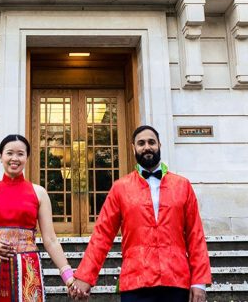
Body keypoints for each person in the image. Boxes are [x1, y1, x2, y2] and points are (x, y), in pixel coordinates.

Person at [69, 125, 211, 302]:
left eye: (151, 142)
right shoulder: (120, 188)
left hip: (176, 279)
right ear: (133, 148)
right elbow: (102, 234)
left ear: (159, 145)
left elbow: (195, 235)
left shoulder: (183, 185)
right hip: (135, 281)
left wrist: (199, 281)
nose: (147, 147)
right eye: (141, 143)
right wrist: (85, 276)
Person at [0, 133, 79, 302]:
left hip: (27, 273)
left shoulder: (39, 193)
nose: (15, 158)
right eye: (9, 153)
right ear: (0, 156)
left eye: (20, 154)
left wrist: (69, 277)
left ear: (27, 157)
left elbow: (50, 240)